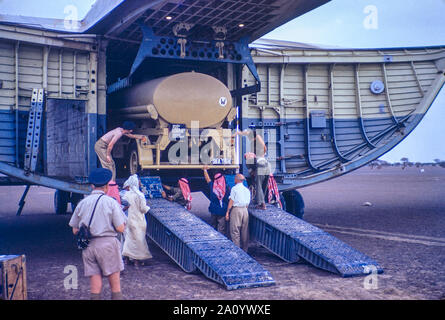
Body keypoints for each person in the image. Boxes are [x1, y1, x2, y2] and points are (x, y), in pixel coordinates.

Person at [68, 168, 127, 300]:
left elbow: (75, 230)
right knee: (115, 285)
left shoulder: (82, 203)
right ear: (106, 186)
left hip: (88, 247)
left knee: (95, 284)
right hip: (108, 246)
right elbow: (120, 228)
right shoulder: (111, 203)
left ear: (92, 186)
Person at [121, 174, 153, 267]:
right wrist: (148, 208)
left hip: (129, 219)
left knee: (128, 239)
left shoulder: (126, 194)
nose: (140, 182)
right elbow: (143, 209)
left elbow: (124, 206)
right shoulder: (140, 195)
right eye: (138, 181)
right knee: (138, 240)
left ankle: (126, 259)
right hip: (138, 220)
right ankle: (136, 261)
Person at [236, 130, 270, 210]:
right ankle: (262, 201)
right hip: (266, 165)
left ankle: (261, 204)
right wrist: (239, 133)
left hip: (260, 166)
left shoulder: (253, 144)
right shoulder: (259, 144)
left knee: (258, 185)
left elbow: (250, 162)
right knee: (263, 185)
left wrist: (251, 171)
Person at [225, 174, 251, 252]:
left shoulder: (234, 189)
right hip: (245, 210)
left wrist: (227, 212)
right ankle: (245, 250)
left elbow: (231, 201)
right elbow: (248, 203)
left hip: (237, 210)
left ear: (237, 180)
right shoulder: (246, 190)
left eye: (235, 179)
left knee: (235, 230)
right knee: (245, 231)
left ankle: (237, 250)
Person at [202, 166, 230, 235]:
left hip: (213, 210)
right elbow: (229, 200)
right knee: (221, 228)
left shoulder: (212, 186)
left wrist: (205, 170)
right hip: (223, 210)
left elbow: (207, 179)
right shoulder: (226, 188)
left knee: (213, 226)